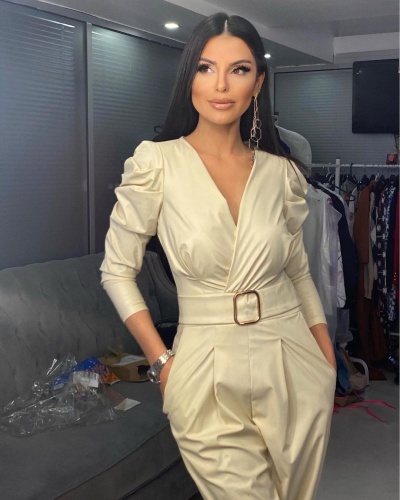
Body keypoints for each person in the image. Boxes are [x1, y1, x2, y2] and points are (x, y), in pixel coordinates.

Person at [100, 12, 337, 500]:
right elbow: (117, 271)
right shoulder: (157, 163)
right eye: (206, 68)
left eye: (239, 69)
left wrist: (324, 354)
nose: (221, 85)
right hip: (203, 365)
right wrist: (162, 362)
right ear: (189, 77)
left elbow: (298, 271)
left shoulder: (281, 174)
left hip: (292, 357)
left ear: (258, 83)